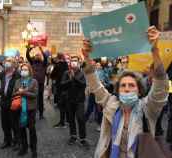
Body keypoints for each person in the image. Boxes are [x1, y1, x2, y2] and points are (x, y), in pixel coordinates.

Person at [81, 26, 169, 158]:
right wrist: (87, 57)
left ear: (139, 91)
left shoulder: (148, 108)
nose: (127, 88)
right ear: (118, 90)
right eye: (123, 85)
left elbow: (161, 85)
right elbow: (95, 84)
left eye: (131, 85)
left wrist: (154, 50)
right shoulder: (111, 103)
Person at [61, 56, 89, 147]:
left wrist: (75, 78)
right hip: (69, 100)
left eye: (75, 61)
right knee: (71, 119)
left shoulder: (82, 73)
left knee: (81, 118)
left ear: (78, 62)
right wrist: (70, 79)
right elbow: (62, 85)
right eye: (72, 61)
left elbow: (83, 85)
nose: (73, 62)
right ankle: (73, 136)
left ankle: (83, 138)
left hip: (79, 100)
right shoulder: (66, 73)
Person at [13, 63, 38, 158]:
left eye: (26, 69)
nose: (24, 71)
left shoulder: (34, 81)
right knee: (21, 129)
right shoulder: (17, 81)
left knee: (32, 130)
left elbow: (35, 95)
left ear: (29, 71)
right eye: (22, 69)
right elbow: (13, 94)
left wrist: (24, 92)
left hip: (30, 109)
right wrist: (18, 93)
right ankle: (24, 147)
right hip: (20, 109)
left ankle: (34, 149)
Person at [0, 57, 20, 149]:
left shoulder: (18, 75)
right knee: (5, 124)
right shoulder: (2, 74)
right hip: (4, 102)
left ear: (14, 64)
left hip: (13, 102)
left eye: (9, 62)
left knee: (14, 124)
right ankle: (7, 140)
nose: (7, 63)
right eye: (6, 61)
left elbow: (22, 88)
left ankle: (17, 141)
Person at [26, 44, 48, 119]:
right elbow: (28, 56)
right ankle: (33, 113)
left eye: (38, 55)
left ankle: (41, 114)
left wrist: (41, 50)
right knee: (33, 98)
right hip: (33, 83)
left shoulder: (44, 63)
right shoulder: (33, 63)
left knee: (40, 98)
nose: (37, 56)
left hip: (41, 83)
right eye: (36, 55)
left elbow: (45, 57)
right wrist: (29, 49)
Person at [50, 53, 69, 128]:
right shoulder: (66, 64)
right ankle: (68, 121)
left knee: (61, 105)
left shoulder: (57, 65)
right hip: (66, 87)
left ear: (58, 57)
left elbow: (52, 75)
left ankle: (62, 122)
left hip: (59, 87)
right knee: (66, 104)